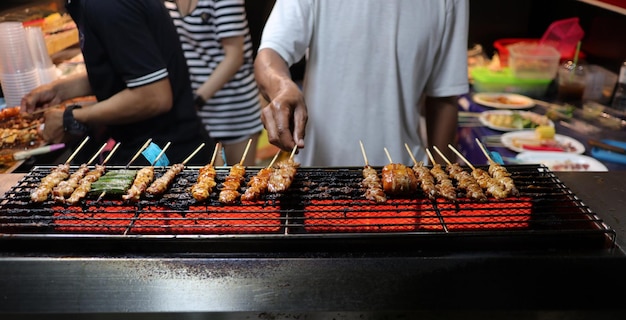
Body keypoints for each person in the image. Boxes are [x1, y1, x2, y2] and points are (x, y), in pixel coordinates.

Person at [254, 0, 470, 167]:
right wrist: (282, 87)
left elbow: (443, 97)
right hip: (317, 173)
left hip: (405, 177)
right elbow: (270, 54)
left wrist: (439, 183)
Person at [20, 0, 215, 166]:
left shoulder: (106, 5)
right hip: (160, 144)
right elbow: (127, 69)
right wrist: (60, 90)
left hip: (164, 154)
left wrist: (72, 118)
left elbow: (154, 96)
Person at [165, 0, 263, 167]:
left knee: (240, 184)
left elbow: (234, 58)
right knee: (206, 185)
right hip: (197, 114)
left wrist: (196, 101)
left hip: (233, 109)